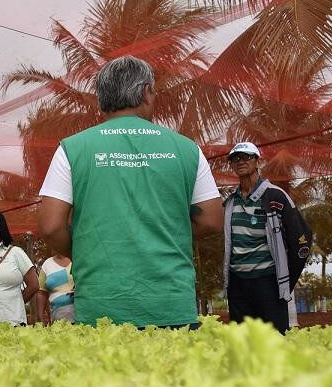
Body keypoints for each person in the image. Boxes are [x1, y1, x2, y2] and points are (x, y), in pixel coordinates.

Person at [38, 55, 222, 329]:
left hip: (102, 306)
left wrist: (90, 249)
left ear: (102, 98)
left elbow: (51, 226)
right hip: (171, 305)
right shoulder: (187, 149)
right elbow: (211, 219)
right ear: (147, 92)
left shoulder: (72, 149)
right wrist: (162, 233)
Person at [223, 142, 312, 334]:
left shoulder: (276, 197)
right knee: (243, 343)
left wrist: (285, 280)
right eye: (235, 159)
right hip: (238, 284)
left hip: (267, 283)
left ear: (257, 161)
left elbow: (302, 241)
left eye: (246, 157)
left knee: (274, 341)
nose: (240, 162)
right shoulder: (231, 202)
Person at [35, 254, 75, 324]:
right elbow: (41, 292)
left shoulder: (77, 259)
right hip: (58, 317)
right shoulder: (47, 264)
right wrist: (40, 315)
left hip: (81, 313)